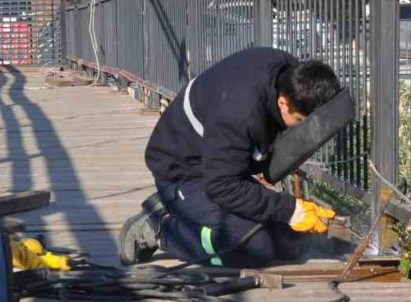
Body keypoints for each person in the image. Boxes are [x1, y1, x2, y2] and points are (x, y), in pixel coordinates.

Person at [119, 47, 341, 268]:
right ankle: (161, 226)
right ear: (283, 103)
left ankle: (182, 209)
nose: (302, 129)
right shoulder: (239, 114)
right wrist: (290, 209)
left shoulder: (287, 72)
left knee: (289, 242)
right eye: (301, 121)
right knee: (253, 247)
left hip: (221, 164)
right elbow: (222, 186)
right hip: (183, 171)